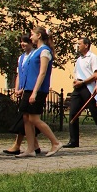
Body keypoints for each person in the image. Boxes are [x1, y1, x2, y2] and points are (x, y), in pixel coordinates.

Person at [17, 26, 62, 157]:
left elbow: (42, 73)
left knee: (34, 118)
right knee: (26, 117)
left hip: (38, 90)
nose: (31, 37)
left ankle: (55, 142)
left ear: (39, 36)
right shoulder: (35, 52)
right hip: (29, 89)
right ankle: (30, 148)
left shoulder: (45, 51)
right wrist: (23, 88)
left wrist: (35, 92)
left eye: (32, 34)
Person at [65, 37, 97, 149]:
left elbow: (96, 75)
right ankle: (73, 140)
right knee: (73, 113)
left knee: (95, 114)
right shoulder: (79, 59)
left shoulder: (93, 58)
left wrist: (82, 82)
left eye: (79, 44)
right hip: (78, 88)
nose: (77, 46)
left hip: (88, 88)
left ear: (86, 45)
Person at [4, 34, 41, 155]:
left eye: (25, 42)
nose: (22, 44)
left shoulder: (35, 55)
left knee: (26, 118)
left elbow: (35, 75)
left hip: (30, 90)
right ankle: (34, 145)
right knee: (25, 118)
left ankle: (20, 145)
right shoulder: (21, 58)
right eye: (21, 42)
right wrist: (17, 88)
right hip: (23, 91)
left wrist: (27, 90)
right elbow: (19, 74)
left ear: (31, 43)